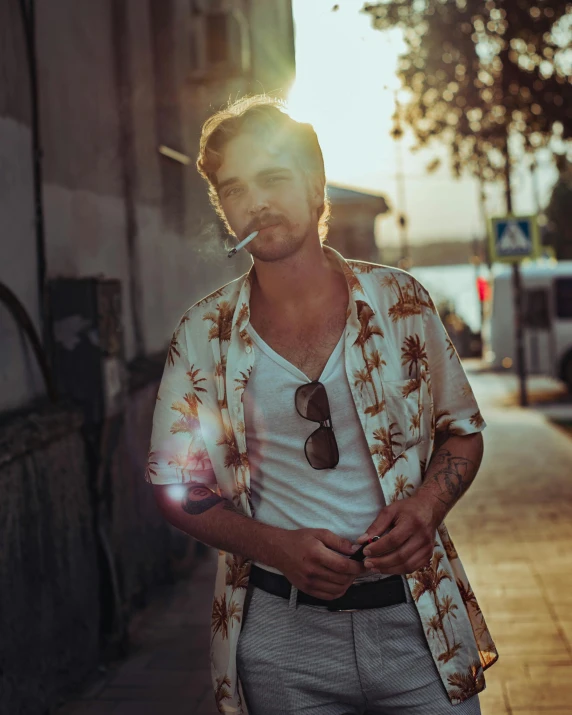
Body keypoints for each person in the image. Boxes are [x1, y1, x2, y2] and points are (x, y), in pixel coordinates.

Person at [146, 94, 499, 715]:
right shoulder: (201, 335)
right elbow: (176, 487)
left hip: (415, 622)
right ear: (224, 209)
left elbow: (463, 433)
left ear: (316, 188)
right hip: (282, 641)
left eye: (274, 178)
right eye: (233, 189)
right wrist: (274, 547)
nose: (255, 201)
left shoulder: (402, 302)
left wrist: (425, 507)